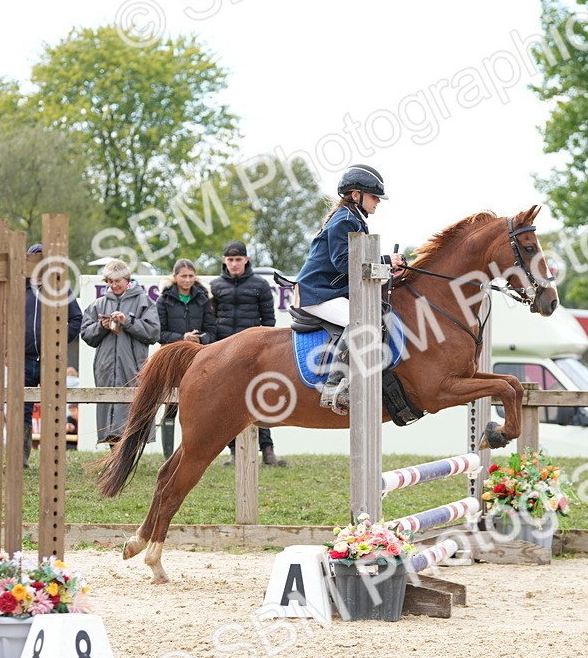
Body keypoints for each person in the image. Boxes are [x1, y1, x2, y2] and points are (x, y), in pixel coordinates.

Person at [294, 164, 405, 414]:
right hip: (317, 292)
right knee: (361, 321)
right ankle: (333, 386)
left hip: (329, 290)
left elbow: (357, 264)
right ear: (356, 195)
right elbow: (344, 263)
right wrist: (386, 261)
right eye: (374, 196)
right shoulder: (345, 220)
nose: (378, 202)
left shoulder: (353, 218)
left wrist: (387, 269)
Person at [208, 241, 286, 466]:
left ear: (246, 259)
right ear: (225, 260)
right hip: (225, 353)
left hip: (255, 354)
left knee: (262, 399)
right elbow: (210, 320)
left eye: (238, 259)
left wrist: (266, 350)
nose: (234, 264)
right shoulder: (214, 286)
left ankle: (268, 450)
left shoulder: (260, 285)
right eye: (230, 260)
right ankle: (234, 452)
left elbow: (268, 320)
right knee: (229, 402)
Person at [80, 259, 160, 444]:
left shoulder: (144, 301)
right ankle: (112, 457)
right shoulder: (97, 305)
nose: (114, 285)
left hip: (134, 368)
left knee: (133, 413)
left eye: (118, 281)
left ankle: (128, 457)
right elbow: (86, 334)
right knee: (109, 417)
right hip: (106, 369)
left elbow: (154, 333)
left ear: (127, 279)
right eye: (110, 281)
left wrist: (128, 322)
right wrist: (101, 326)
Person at [24, 244, 83, 466]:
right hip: (24, 359)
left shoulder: (60, 288)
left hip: (51, 360)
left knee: (53, 407)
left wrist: (59, 340)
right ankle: (21, 459)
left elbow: (76, 318)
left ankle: (52, 460)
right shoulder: (19, 289)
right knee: (22, 408)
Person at [156, 258, 216, 459]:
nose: (188, 280)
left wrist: (200, 339)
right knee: (171, 407)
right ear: (175, 277)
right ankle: (167, 456)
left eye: (191, 276)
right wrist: (181, 338)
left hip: (198, 359)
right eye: (183, 276)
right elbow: (159, 334)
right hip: (173, 361)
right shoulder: (163, 300)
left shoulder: (204, 299)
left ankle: (195, 453)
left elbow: (212, 332)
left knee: (200, 410)